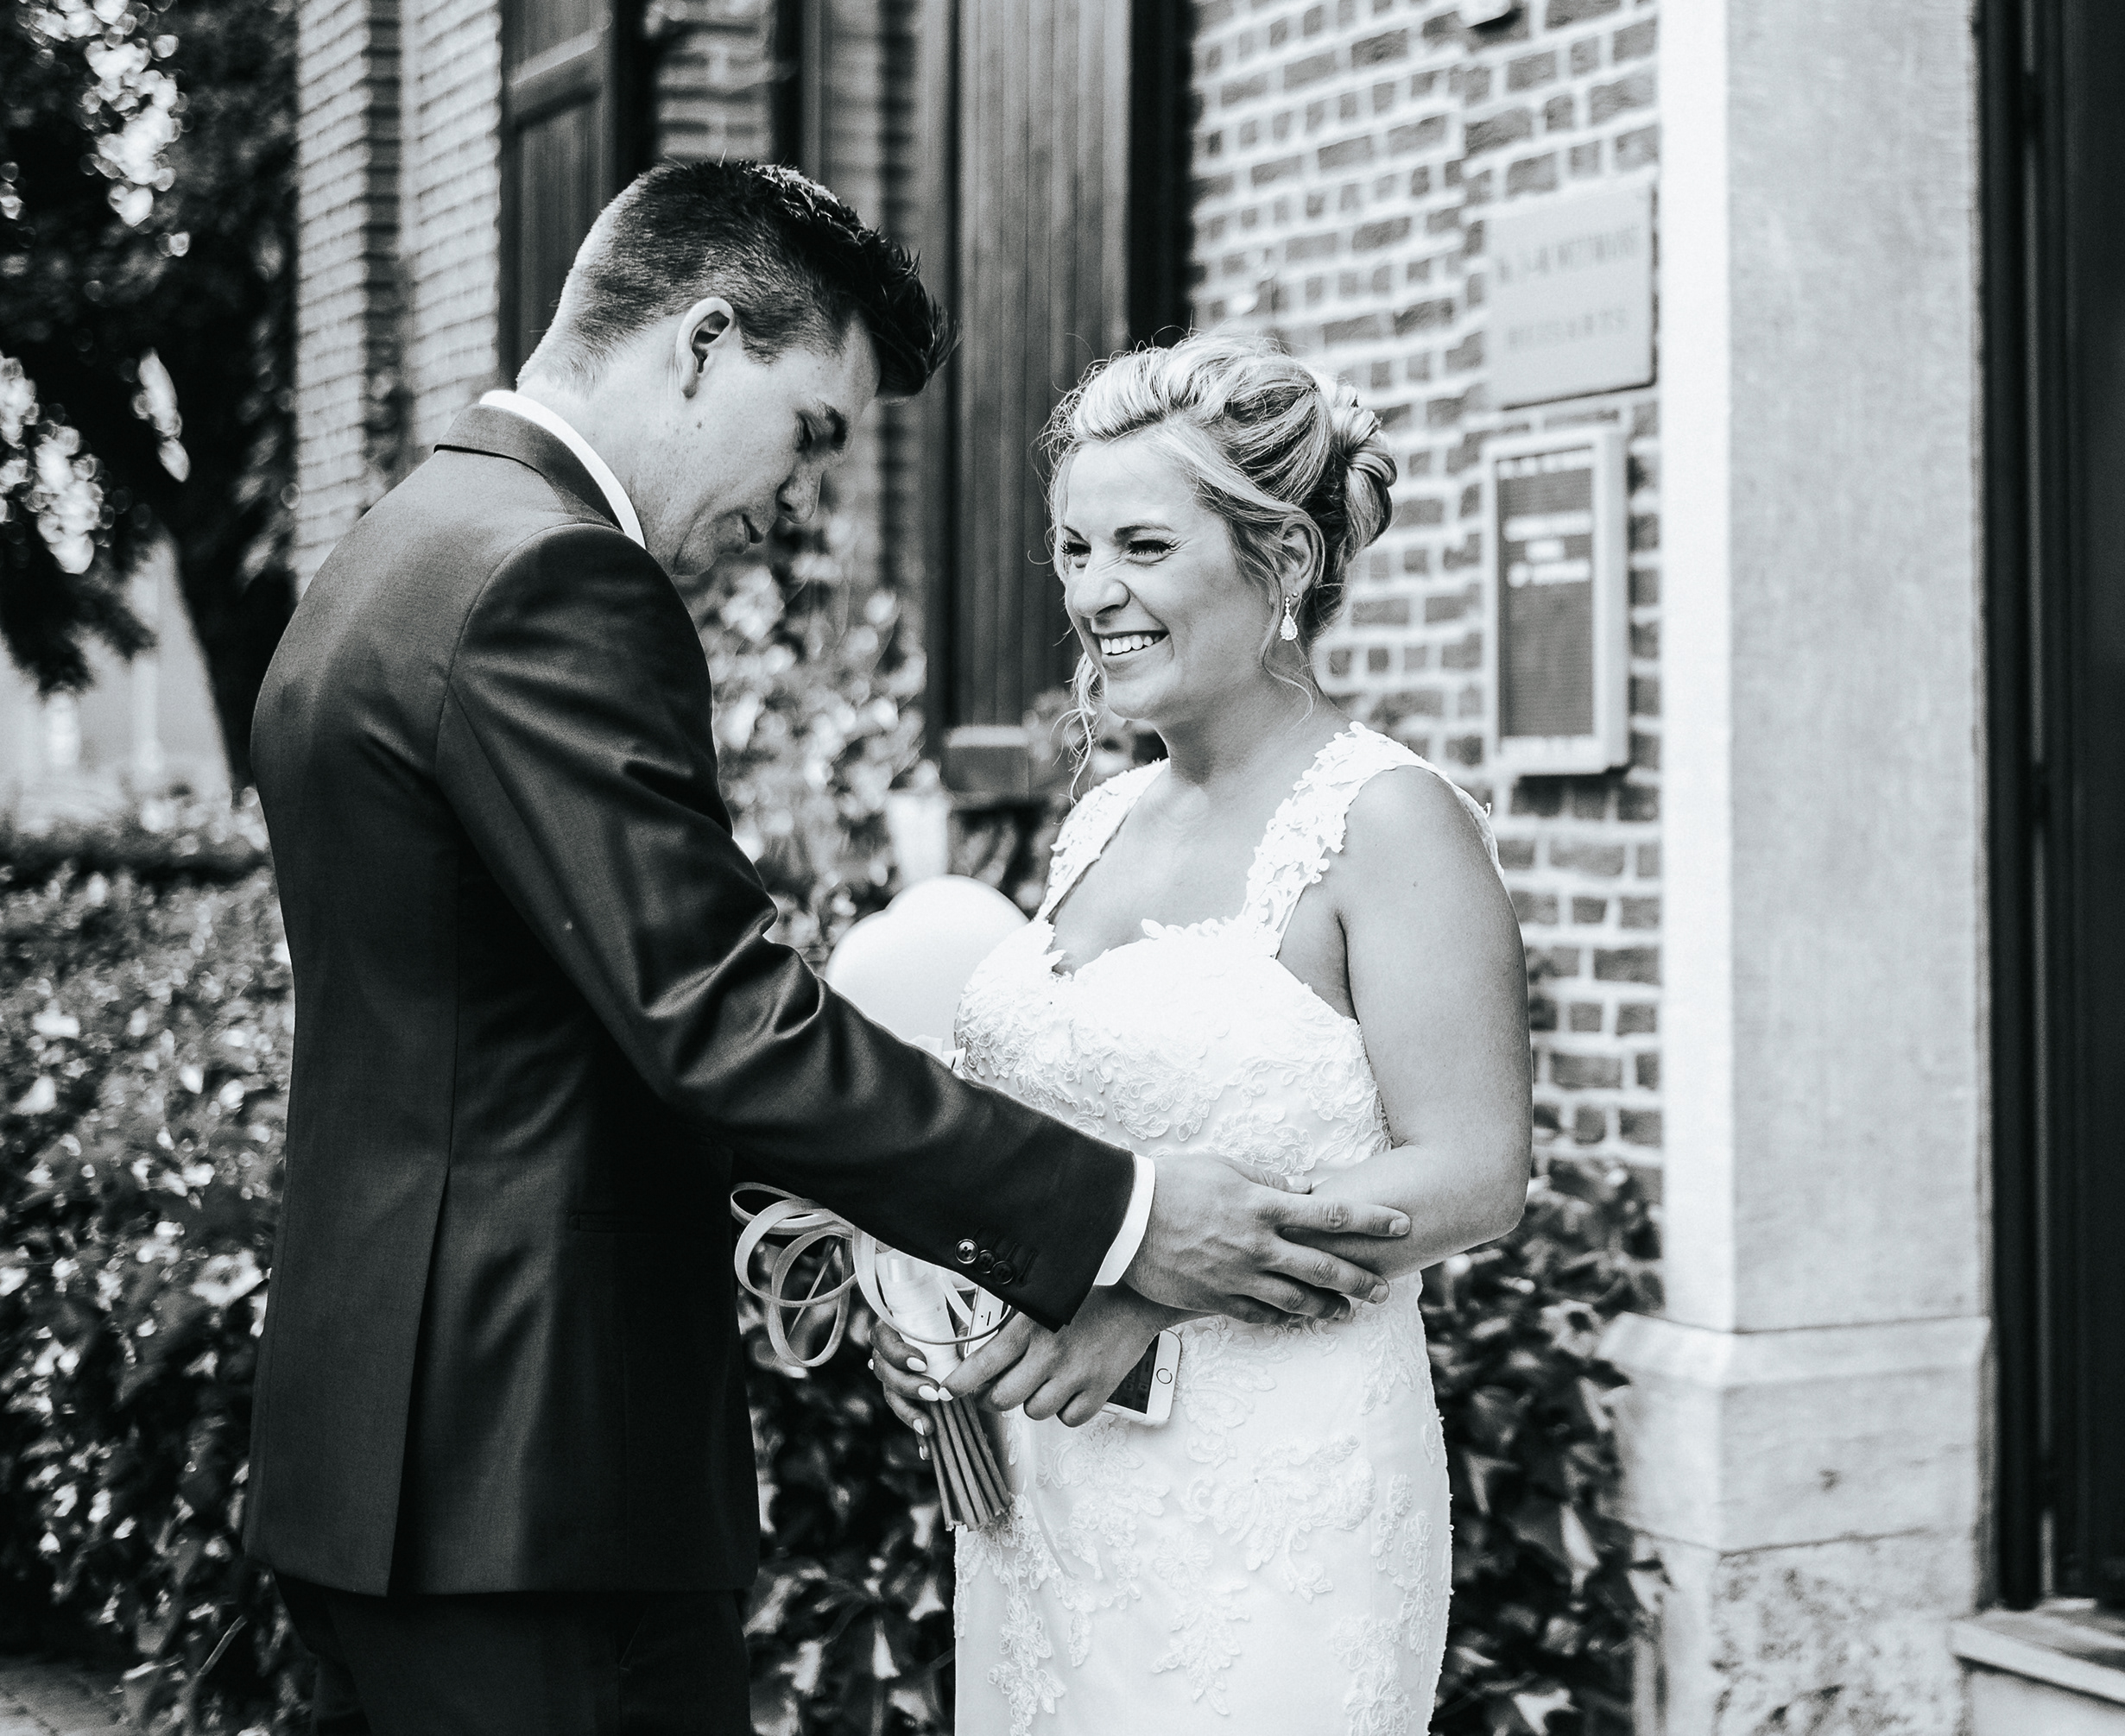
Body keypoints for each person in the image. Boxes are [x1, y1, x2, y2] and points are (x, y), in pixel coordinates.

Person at [246, 162, 1410, 1735]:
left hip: (390, 1451)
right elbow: (723, 1020)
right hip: (526, 1477)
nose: (798, 501)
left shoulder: (399, 549)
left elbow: (532, 1030)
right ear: (704, 341)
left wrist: (882, 1238)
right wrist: (1119, 1215)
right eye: (810, 433)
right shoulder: (554, 577)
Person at [868, 337, 1531, 1735]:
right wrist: (943, 1300)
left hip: (1270, 1502)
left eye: (1142, 546)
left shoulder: (1385, 821)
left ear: (1282, 561)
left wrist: (1150, 1288)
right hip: (1052, 1499)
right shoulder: (1104, 818)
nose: (1091, 590)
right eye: (1075, 548)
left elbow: (1474, 1173)